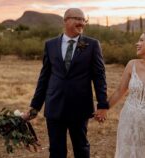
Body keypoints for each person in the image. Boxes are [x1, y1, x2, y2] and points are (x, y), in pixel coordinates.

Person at [22, 8, 109, 158]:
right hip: (55, 105)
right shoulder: (50, 44)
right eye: (77, 19)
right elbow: (44, 77)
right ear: (66, 20)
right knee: (56, 150)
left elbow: (99, 76)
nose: (81, 23)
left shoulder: (92, 44)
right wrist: (35, 107)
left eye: (83, 20)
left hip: (80, 106)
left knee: (81, 148)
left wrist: (102, 105)